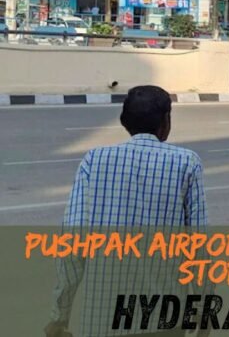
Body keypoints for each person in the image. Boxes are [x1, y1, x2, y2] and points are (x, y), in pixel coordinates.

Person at [44, 86, 208, 337]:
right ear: (165, 122)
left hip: (102, 320)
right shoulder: (187, 162)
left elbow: (73, 245)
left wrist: (59, 316)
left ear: (125, 122)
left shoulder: (94, 161)